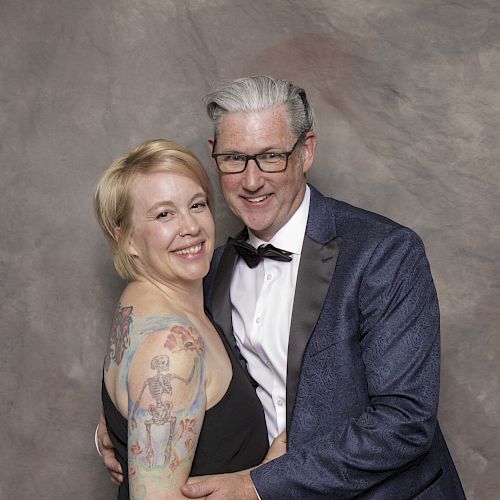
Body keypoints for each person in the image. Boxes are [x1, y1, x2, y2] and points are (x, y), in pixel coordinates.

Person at [99, 77, 466, 499]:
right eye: (235, 158)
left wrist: (259, 486)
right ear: (215, 154)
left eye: (271, 156)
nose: (252, 180)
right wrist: (125, 428)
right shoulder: (208, 268)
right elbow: (160, 360)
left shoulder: (384, 253)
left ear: (306, 151)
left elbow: (404, 422)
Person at [93, 139, 284, 499]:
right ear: (126, 238)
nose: (191, 227)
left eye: (196, 205)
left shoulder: (150, 301)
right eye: (164, 214)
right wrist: (266, 478)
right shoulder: (172, 346)